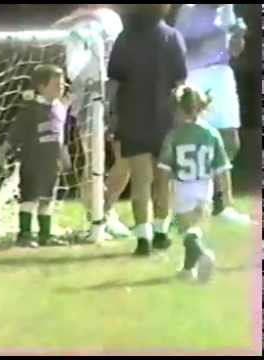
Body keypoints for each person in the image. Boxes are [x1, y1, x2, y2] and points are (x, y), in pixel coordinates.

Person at [107, 4, 187, 256]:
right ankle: (161, 232)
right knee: (163, 180)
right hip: (166, 119)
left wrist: (110, 115)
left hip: (133, 118)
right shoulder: (173, 37)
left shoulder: (125, 38)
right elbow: (180, 82)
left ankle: (143, 238)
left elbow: (114, 82)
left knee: (141, 180)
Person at [53, 5, 131, 239]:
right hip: (89, 94)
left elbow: (122, 56)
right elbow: (74, 68)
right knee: (92, 158)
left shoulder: (113, 19)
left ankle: (105, 212)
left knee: (126, 155)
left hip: (118, 92)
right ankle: (96, 219)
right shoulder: (76, 23)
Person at [174, 4, 250, 223]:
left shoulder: (227, 9)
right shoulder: (188, 10)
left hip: (222, 74)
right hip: (195, 74)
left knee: (230, 140)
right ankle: (189, 202)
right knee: (193, 139)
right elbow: (180, 47)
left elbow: (234, 50)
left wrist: (238, 36)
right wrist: (210, 40)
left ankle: (221, 204)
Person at [157, 84, 233, 282]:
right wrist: (226, 197)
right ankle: (187, 270)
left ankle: (202, 255)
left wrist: (162, 198)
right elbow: (222, 168)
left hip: (183, 188)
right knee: (194, 230)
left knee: (187, 232)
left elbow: (164, 171)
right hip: (204, 188)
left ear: (180, 109)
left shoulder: (174, 136)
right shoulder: (212, 134)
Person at [0, 65, 71, 248]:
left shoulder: (60, 109)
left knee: (47, 199)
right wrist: (3, 150)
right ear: (41, 87)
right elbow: (16, 132)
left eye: (62, 84)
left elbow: (62, 136)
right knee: (29, 198)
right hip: (32, 162)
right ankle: (24, 234)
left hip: (52, 163)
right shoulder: (31, 110)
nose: (61, 88)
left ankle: (45, 235)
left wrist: (64, 155)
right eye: (56, 85)